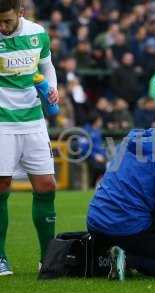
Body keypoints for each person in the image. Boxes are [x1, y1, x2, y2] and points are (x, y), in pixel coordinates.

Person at [86, 101, 155, 280]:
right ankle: (127, 260)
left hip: (96, 221)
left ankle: (109, 256)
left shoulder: (130, 139)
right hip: (127, 227)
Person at [0, 0, 59, 276]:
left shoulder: (37, 33)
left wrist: (53, 90)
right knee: (1, 187)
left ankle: (48, 257)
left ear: (20, 13)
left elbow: (47, 68)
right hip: (2, 122)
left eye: (7, 22)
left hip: (33, 120)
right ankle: (0, 258)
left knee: (46, 186)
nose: (2, 27)